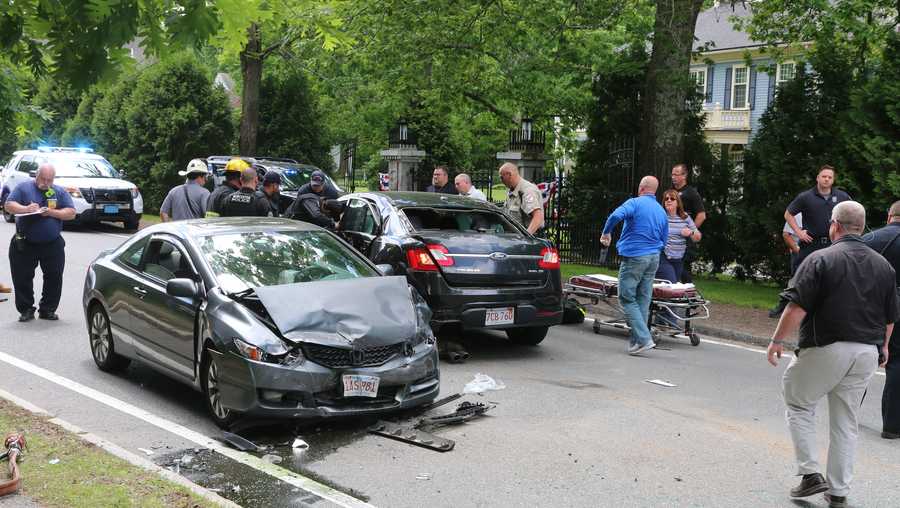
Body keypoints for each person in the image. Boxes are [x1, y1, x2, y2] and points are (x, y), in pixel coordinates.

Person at [768, 201, 897, 508]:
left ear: (835, 225)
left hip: (826, 344)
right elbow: (891, 315)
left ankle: (810, 473)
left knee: (798, 401)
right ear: (862, 227)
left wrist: (776, 341)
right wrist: (885, 346)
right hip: (867, 350)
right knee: (845, 420)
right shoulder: (884, 266)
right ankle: (838, 490)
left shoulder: (821, 259)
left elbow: (796, 306)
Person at [600, 176, 668, 355]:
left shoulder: (635, 203)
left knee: (627, 298)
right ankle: (637, 341)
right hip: (654, 257)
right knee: (643, 300)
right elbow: (664, 239)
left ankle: (644, 339)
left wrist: (606, 232)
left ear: (641, 188)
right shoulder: (661, 211)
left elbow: (615, 215)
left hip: (635, 256)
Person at [4, 163, 76, 322]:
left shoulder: (58, 191)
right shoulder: (23, 188)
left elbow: (71, 212)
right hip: (25, 242)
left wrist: (52, 212)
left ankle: (48, 309)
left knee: (54, 276)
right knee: (22, 277)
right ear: (36, 176)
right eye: (43, 179)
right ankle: (26, 309)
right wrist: (26, 209)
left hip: (52, 243)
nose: (46, 183)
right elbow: (9, 205)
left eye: (50, 180)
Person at [863, 200, 900, 440]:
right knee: (897, 363)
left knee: (862, 358)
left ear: (889, 217)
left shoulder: (871, 239)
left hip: (872, 306)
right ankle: (893, 426)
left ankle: (845, 414)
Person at [785, 165, 851, 268]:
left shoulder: (842, 196)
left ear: (833, 180)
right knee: (808, 279)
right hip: (811, 245)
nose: (826, 179)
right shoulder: (805, 197)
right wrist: (799, 232)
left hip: (834, 244)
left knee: (831, 279)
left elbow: (851, 214)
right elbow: (788, 214)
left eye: (830, 177)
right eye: (824, 176)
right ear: (817, 178)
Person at [655, 189, 701, 284]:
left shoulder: (685, 217)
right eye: (666, 199)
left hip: (678, 259)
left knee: (672, 286)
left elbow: (697, 237)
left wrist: (691, 233)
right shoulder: (660, 217)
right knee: (671, 283)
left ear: (678, 203)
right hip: (662, 256)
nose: (669, 200)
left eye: (672, 198)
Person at [670, 164, 705, 282]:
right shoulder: (671, 193)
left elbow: (701, 215)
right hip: (671, 238)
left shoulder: (691, 192)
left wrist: (691, 231)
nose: (673, 177)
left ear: (684, 175)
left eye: (676, 174)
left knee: (682, 268)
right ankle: (672, 294)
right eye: (672, 174)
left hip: (684, 238)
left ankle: (690, 294)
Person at [769, 213, 803, 318]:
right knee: (795, 282)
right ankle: (781, 308)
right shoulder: (797, 215)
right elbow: (786, 235)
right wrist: (797, 251)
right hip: (800, 253)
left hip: (818, 254)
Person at [499, 163, 544, 234]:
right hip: (516, 238)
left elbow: (538, 217)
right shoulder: (512, 190)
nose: (501, 180)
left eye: (502, 177)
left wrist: (526, 237)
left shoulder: (527, 191)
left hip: (529, 240)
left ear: (510, 175)